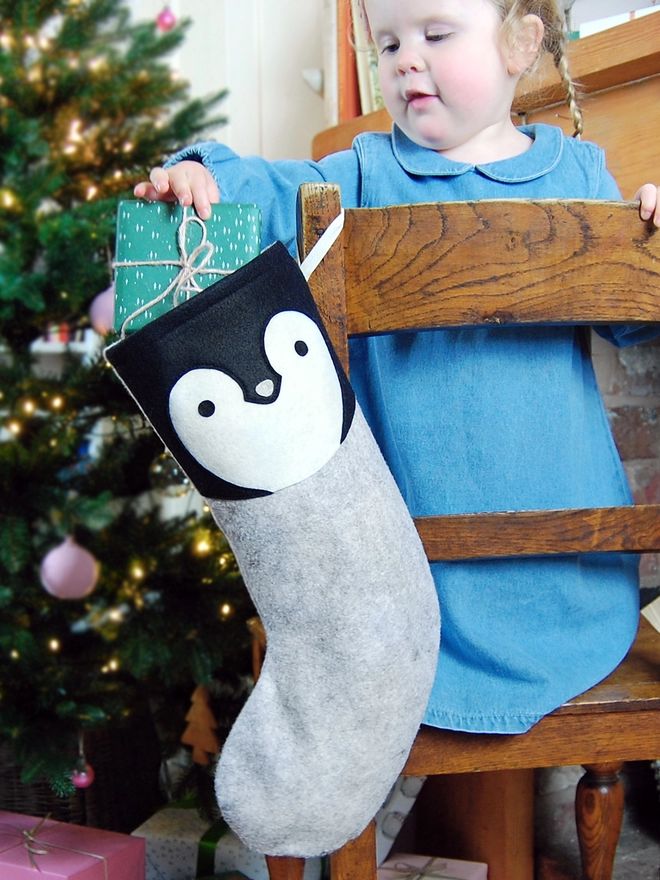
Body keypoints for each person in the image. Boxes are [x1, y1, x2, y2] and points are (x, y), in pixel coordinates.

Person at [135, 0, 660, 734]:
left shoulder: (579, 173)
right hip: (407, 587)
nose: (406, 59)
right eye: (387, 44)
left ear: (519, 43)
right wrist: (200, 176)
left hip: (565, 585)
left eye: (436, 35)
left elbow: (637, 319)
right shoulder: (362, 174)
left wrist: (648, 233)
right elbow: (263, 194)